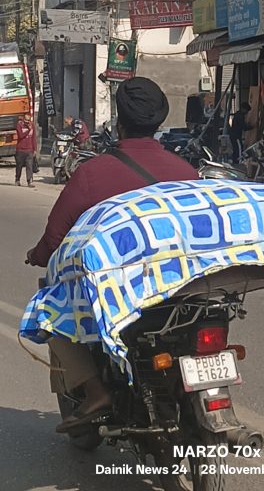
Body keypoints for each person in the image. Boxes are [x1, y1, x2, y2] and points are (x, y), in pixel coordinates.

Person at [26, 77, 198, 431]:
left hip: (122, 293)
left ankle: (95, 391)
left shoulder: (92, 173)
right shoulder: (187, 173)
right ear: (159, 121)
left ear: (119, 122)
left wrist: (38, 255)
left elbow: (55, 236)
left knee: (50, 311)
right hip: (183, 291)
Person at [15, 117, 37, 188]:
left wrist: (35, 149)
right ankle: (17, 179)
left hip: (29, 150)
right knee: (19, 165)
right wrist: (28, 130)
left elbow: (34, 138)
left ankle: (29, 181)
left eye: (28, 120)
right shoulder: (19, 125)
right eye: (26, 120)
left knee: (29, 166)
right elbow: (20, 135)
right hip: (20, 149)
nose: (27, 122)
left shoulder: (32, 125)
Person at [229, 101, 252, 166]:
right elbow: (243, 127)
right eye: (246, 111)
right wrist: (252, 126)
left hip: (234, 135)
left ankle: (235, 162)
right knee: (239, 150)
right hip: (236, 136)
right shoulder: (240, 116)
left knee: (236, 149)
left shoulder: (237, 115)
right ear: (243, 109)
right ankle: (238, 164)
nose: (246, 113)